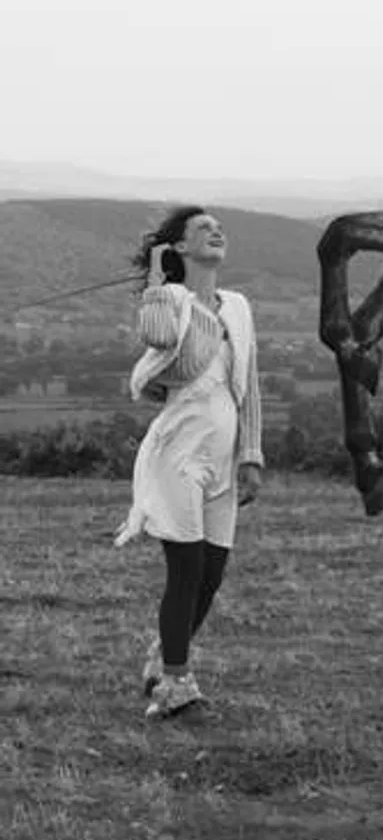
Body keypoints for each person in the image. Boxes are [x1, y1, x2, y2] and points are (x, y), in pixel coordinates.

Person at [114, 205, 264, 718]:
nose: (216, 231)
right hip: (178, 451)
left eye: (219, 227)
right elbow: (158, 337)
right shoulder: (170, 300)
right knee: (186, 569)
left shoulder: (238, 307)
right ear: (179, 246)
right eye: (203, 228)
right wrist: (161, 280)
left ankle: (164, 655)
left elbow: (250, 385)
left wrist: (251, 455)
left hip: (223, 457)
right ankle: (176, 686)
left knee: (212, 575)